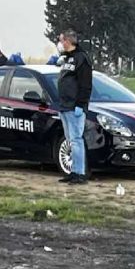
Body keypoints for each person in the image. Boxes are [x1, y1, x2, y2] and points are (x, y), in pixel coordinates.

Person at [56, 30, 93, 185]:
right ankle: (73, 171)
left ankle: (80, 173)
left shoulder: (81, 58)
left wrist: (80, 104)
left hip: (74, 106)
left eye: (61, 40)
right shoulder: (67, 59)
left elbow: (85, 84)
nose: (60, 43)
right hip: (64, 106)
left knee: (77, 139)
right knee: (70, 140)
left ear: (68, 41)